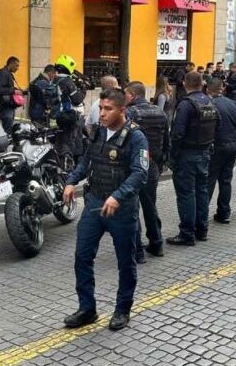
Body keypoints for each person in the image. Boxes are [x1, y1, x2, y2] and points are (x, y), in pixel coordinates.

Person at [62, 88, 148, 331]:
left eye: (108, 109)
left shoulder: (136, 137)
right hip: (94, 204)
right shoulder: (98, 132)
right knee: (82, 256)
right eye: (100, 108)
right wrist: (71, 181)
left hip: (121, 210)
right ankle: (87, 308)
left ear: (122, 110)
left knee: (125, 262)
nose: (102, 113)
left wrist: (118, 196)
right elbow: (86, 161)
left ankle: (122, 309)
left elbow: (140, 173)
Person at [167, 71, 220, 246]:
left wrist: (173, 157)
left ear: (184, 83)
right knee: (201, 192)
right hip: (205, 153)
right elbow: (217, 125)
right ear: (202, 83)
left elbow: (177, 134)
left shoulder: (186, 105)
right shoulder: (210, 101)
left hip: (187, 155)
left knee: (186, 194)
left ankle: (187, 233)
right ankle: (202, 229)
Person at [124, 81, 169, 260]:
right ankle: (157, 243)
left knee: (132, 208)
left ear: (133, 95)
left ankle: (137, 252)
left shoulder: (129, 113)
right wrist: (161, 162)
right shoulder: (160, 112)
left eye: (125, 94)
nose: (124, 97)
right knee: (150, 206)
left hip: (133, 166)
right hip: (152, 165)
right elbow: (167, 141)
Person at [206, 78, 236, 224]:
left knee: (209, 180)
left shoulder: (209, 104)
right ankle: (224, 213)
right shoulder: (232, 103)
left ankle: (202, 213)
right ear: (222, 89)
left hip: (215, 145)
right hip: (231, 145)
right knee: (225, 180)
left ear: (208, 90)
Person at [50, 54, 88, 160]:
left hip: (58, 116)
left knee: (60, 142)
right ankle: (72, 166)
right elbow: (77, 100)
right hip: (69, 117)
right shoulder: (67, 81)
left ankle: (61, 161)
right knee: (73, 143)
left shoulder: (54, 80)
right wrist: (83, 88)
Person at [0, 56, 21, 134]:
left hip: (8, 106)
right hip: (5, 107)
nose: (17, 68)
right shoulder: (3, 73)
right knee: (7, 131)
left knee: (8, 130)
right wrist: (14, 91)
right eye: (16, 65)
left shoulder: (8, 73)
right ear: (11, 64)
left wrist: (17, 90)